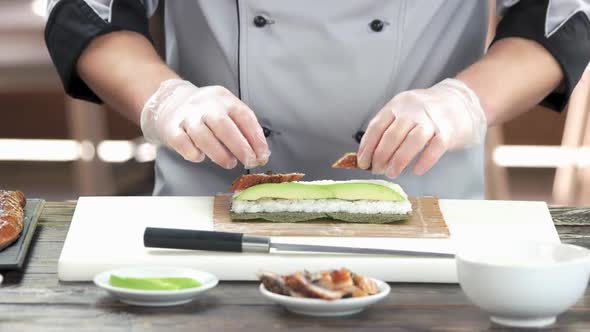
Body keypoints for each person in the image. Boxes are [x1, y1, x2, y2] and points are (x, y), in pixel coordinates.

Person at [45, 0, 590, 198]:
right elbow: (89, 9)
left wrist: (461, 102)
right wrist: (167, 100)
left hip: (423, 200)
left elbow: (558, 17)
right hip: (211, 198)